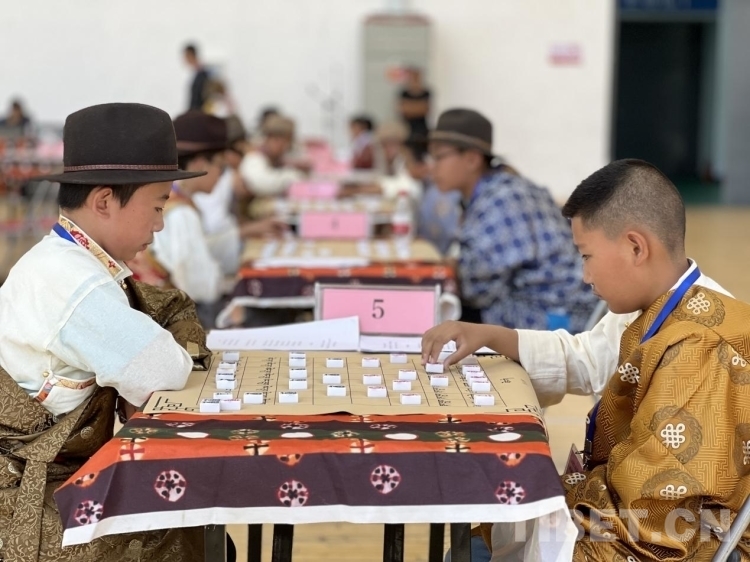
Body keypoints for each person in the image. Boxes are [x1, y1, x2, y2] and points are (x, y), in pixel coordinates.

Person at [423, 159, 750, 561]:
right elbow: (585, 359)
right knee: (493, 524)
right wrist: (490, 336)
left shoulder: (699, 346)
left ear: (636, 247)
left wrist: (564, 500)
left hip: (673, 537)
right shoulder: (660, 305)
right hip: (630, 507)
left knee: (488, 532)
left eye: (586, 256)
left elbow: (655, 518)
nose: (584, 276)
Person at [0, 103, 209, 560]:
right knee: (177, 521)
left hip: (48, 478)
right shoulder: (74, 282)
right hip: (29, 501)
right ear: (104, 202)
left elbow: (165, 314)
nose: (159, 224)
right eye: (157, 206)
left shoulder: (62, 260)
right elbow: (163, 370)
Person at [428, 108, 596, 331]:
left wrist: (456, 268)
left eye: (439, 157)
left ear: (471, 159)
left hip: (559, 317)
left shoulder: (501, 199)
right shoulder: (498, 188)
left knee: (448, 314)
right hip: (555, 304)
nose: (432, 166)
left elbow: (476, 289)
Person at [239, 114, 305, 197]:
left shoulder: (276, 159)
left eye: (286, 141)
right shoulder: (254, 158)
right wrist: (290, 176)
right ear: (268, 138)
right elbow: (262, 184)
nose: (283, 146)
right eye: (277, 140)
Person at [398, 66, 431, 138]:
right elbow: (403, 110)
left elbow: (425, 110)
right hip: (407, 128)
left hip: (422, 128)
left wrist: (410, 107)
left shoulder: (426, 93)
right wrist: (418, 106)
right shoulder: (404, 93)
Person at [183, 43, 210, 111]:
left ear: (191, 55)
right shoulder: (196, 73)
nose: (185, 59)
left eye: (186, 56)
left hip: (199, 112)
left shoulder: (203, 74)